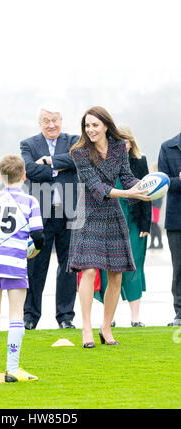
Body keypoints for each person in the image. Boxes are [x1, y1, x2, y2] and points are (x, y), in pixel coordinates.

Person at [67, 106, 151, 347]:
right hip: (89, 212)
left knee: (116, 274)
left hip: (113, 214)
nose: (90, 129)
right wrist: (128, 193)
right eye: (86, 125)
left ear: (105, 125)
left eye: (94, 125)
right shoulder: (80, 152)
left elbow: (127, 177)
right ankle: (86, 329)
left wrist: (147, 186)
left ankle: (106, 328)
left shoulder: (118, 148)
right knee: (90, 270)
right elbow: (96, 187)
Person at [0, 154, 44, 382]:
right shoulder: (30, 202)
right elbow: (38, 236)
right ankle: (12, 368)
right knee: (16, 314)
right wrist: (32, 250)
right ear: (24, 175)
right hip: (15, 264)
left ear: (2, 176)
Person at [20, 106, 78, 330]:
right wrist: (58, 169)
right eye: (46, 121)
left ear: (61, 120)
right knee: (35, 264)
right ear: (40, 123)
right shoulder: (29, 144)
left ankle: (65, 317)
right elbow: (28, 170)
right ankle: (30, 316)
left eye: (54, 120)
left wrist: (48, 162)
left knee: (69, 266)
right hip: (41, 212)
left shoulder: (74, 140)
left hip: (72, 210)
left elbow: (78, 160)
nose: (51, 125)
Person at [94, 126, 151, 327]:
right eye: (118, 141)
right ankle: (110, 317)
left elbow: (147, 194)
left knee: (134, 265)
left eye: (125, 141)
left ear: (131, 143)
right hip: (107, 222)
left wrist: (146, 224)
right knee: (107, 267)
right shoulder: (101, 162)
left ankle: (135, 318)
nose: (122, 145)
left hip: (134, 222)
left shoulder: (139, 161)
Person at [158, 132, 181, 326]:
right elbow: (162, 183)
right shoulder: (168, 147)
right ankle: (180, 313)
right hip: (177, 220)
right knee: (179, 268)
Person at [148, 162, 163, 249]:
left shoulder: (158, 179)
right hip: (153, 205)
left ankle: (160, 243)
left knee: (155, 224)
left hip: (155, 205)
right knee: (153, 225)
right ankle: (153, 243)